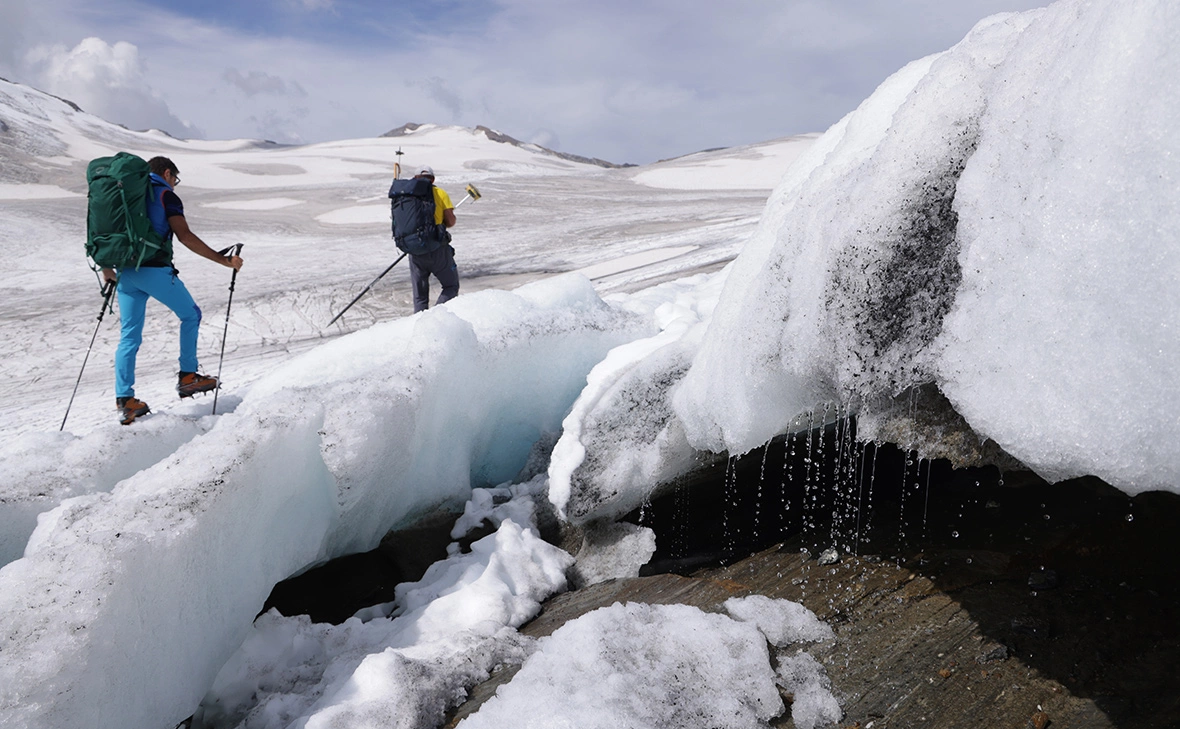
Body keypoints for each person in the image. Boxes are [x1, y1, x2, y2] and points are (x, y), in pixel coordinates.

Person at [101, 156, 244, 425]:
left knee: (129, 337)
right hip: (153, 269)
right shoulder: (165, 194)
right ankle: (188, 376)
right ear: (167, 173)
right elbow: (185, 236)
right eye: (175, 180)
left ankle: (125, 400)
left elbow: (105, 232)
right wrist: (224, 261)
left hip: (125, 273)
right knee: (191, 315)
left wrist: (107, 269)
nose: (175, 185)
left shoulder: (124, 195)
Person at [406, 165, 458, 313]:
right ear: (433, 179)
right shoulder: (440, 193)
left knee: (420, 297)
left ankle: (420, 326)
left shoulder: (407, 195)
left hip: (414, 248)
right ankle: (435, 319)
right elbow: (450, 221)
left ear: (415, 178)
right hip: (437, 248)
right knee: (451, 286)